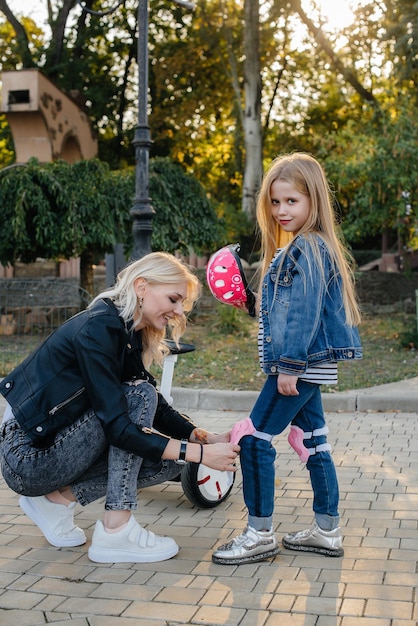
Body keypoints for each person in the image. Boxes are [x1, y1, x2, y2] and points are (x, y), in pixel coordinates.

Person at [0, 251, 240, 564]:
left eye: (182, 303)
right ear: (142, 287)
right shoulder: (98, 327)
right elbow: (120, 422)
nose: (179, 311)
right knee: (140, 400)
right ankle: (117, 529)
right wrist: (201, 455)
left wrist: (201, 436)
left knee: (167, 462)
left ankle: (56, 502)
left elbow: (157, 408)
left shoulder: (128, 332)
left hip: (57, 447)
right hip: (28, 455)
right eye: (173, 299)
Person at [212, 152, 362, 565]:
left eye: (291, 201)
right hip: (309, 364)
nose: (281, 210)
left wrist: (290, 365)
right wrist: (252, 302)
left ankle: (258, 533)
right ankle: (326, 531)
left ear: (313, 200)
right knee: (314, 442)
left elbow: (303, 313)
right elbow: (289, 305)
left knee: (254, 437)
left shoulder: (308, 247)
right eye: (275, 202)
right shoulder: (309, 246)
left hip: (299, 364)